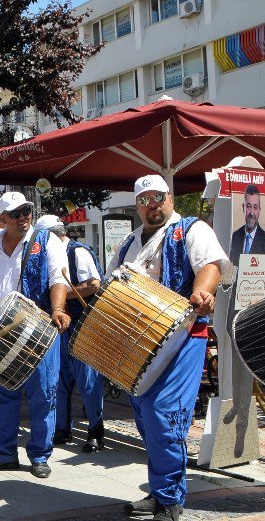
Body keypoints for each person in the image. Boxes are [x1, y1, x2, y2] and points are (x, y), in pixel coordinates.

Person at [113, 175, 227, 521]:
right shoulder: (129, 244)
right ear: (138, 206)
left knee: (165, 414)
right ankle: (161, 489)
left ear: (170, 198)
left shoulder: (192, 229)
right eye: (145, 200)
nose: (153, 205)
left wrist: (204, 292)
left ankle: (171, 499)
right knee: (147, 420)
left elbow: (211, 265)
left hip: (184, 337)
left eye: (158, 197)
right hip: (141, 343)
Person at [0, 192, 70, 479]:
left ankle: (39, 455)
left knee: (43, 393)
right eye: (16, 213)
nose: (24, 217)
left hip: (39, 329)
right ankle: (4, 454)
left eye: (27, 211)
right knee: (1, 393)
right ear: (2, 218)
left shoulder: (46, 240)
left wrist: (59, 309)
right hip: (0, 330)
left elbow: (58, 278)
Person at [36, 215, 105, 453]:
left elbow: (94, 284)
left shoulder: (77, 252)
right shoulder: (47, 257)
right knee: (61, 379)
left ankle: (96, 431)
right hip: (60, 326)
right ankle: (63, 429)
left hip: (83, 325)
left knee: (88, 380)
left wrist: (64, 296)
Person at [229, 184, 265, 263]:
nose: (252, 213)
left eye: (255, 207)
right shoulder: (235, 236)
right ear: (243, 208)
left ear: (259, 210)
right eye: (248, 206)